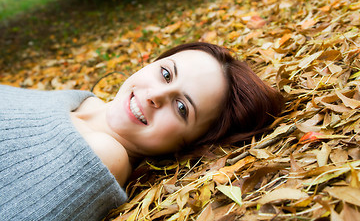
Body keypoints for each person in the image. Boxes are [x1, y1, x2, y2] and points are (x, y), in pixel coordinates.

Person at [0, 42, 284, 220]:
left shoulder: (104, 156)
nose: (156, 96)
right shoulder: (85, 101)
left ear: (188, 144)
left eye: (182, 108)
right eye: (166, 73)